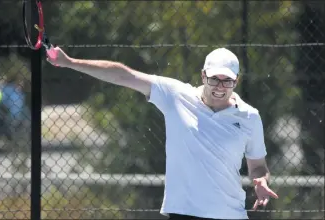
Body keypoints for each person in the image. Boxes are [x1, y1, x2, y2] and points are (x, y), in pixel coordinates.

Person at [47, 47, 278, 219]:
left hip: (230, 215)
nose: (219, 86)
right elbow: (124, 75)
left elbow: (258, 166)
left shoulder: (249, 117)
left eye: (227, 81)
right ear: (202, 76)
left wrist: (260, 181)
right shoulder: (176, 95)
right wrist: (70, 62)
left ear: (236, 81)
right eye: (214, 79)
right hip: (183, 212)